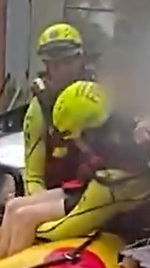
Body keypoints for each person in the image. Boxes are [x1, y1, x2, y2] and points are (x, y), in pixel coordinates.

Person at [0, 80, 150, 260]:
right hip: (133, 193)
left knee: (23, 217)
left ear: (87, 134)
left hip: (145, 214)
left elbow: (60, 231)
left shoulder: (113, 177)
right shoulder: (141, 126)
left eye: (72, 138)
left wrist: (31, 229)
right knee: (15, 207)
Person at [22, 23, 96, 197]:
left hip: (100, 189)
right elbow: (33, 178)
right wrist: (38, 202)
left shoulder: (99, 95)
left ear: (81, 60)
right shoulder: (41, 106)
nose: (61, 69)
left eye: (68, 61)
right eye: (54, 63)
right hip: (58, 195)